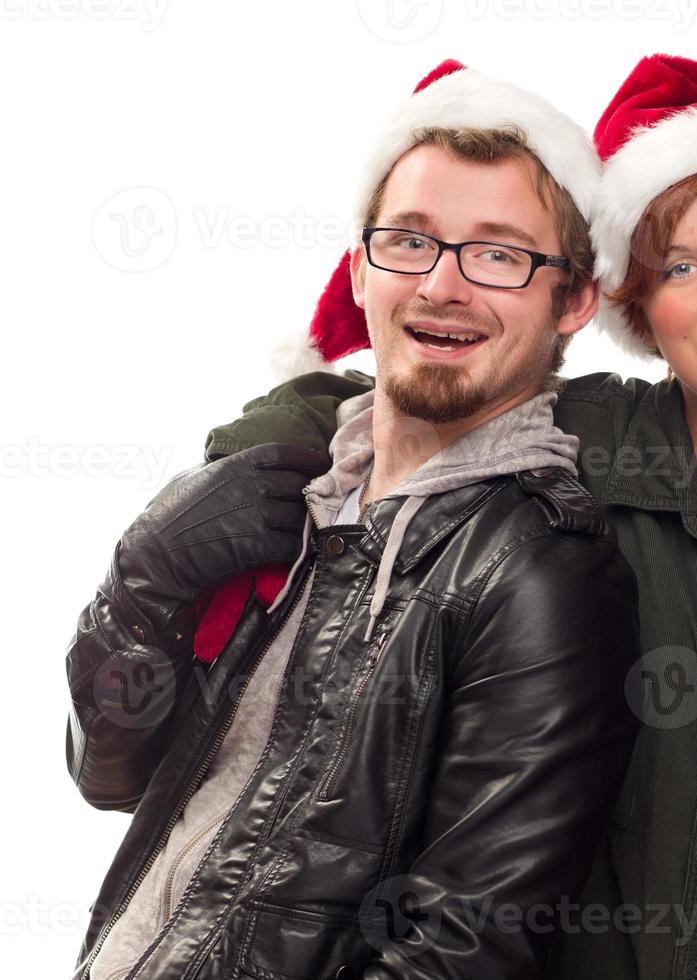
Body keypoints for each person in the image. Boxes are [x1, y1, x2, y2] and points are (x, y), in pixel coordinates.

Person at [198, 55, 697, 980]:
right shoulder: (571, 441)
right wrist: (251, 459)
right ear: (634, 305)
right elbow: (390, 399)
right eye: (678, 264)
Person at [66, 60, 640, 980]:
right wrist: (142, 581)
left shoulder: (540, 571)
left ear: (571, 298)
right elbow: (110, 774)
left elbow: (462, 951)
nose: (443, 286)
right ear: (363, 268)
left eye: (498, 253)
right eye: (410, 240)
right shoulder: (284, 497)